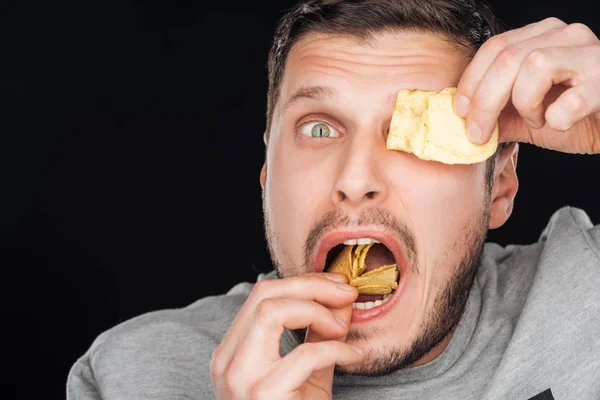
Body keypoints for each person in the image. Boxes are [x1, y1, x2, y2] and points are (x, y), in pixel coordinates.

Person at [66, 0, 600, 398]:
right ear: (268, 175)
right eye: (319, 129)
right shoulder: (128, 376)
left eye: (407, 135)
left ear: (499, 186)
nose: (356, 177)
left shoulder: (585, 288)